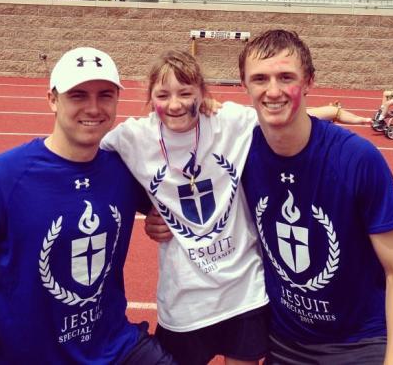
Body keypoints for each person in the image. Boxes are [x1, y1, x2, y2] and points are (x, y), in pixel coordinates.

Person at [239, 29, 393, 364]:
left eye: (286, 77)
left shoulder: (357, 159)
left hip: (361, 342)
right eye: (260, 78)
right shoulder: (238, 152)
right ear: (244, 84)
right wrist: (158, 217)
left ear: (308, 82)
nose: (273, 90)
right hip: (284, 340)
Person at [0, 47, 176, 364]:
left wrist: (157, 217)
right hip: (32, 355)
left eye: (105, 95)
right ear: (52, 99)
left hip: (114, 345)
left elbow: (187, 188)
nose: (93, 108)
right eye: (78, 95)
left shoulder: (124, 169)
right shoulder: (7, 177)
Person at [101, 49, 270, 365]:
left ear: (203, 93)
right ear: (150, 97)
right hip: (184, 302)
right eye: (163, 94)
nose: (175, 104)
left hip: (243, 291)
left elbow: (283, 118)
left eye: (186, 92)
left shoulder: (230, 121)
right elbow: (85, 157)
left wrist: (337, 111)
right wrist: (146, 209)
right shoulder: (132, 137)